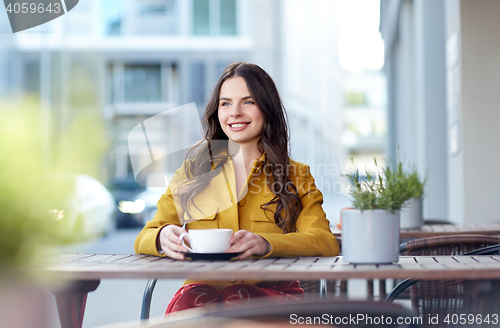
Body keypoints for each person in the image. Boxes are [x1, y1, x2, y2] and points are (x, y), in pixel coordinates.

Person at [134, 62, 339, 314]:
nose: (235, 113)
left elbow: (325, 242)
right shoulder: (191, 172)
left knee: (238, 301)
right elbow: (144, 236)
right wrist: (160, 237)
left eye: (248, 102)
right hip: (201, 300)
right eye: (226, 103)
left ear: (267, 109)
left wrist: (267, 244)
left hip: (273, 297)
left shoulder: (297, 175)